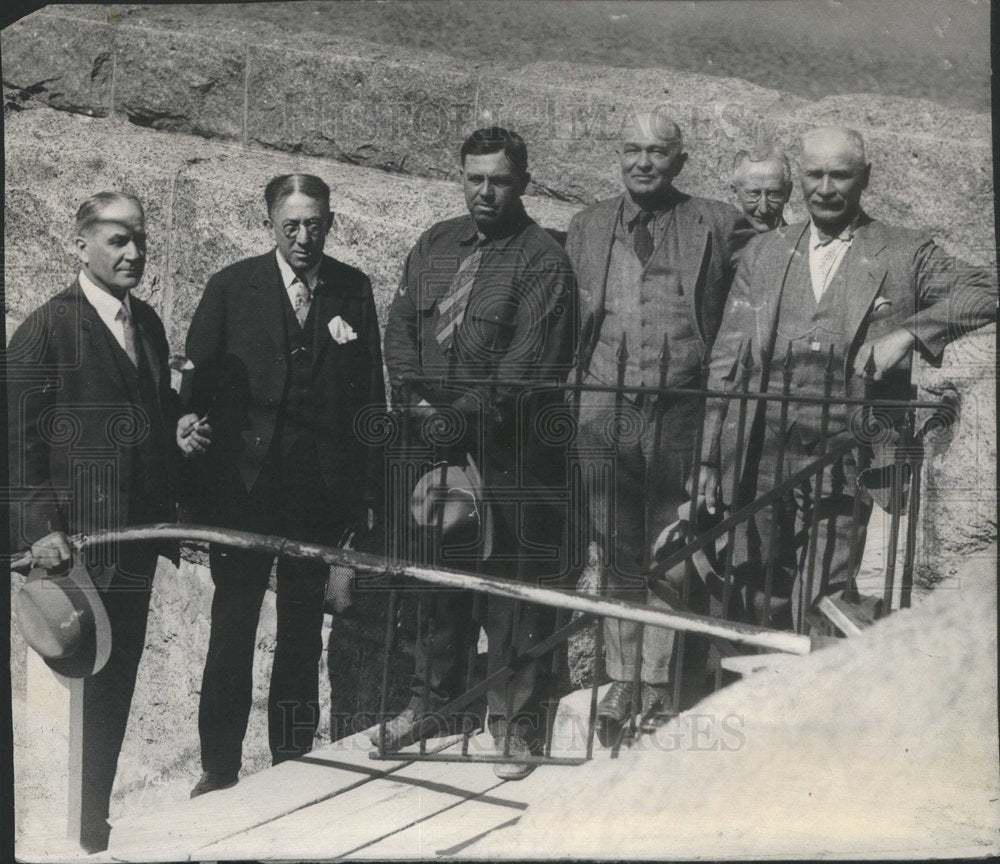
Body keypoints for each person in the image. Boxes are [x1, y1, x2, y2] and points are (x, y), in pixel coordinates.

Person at [699, 126, 997, 628]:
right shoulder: (765, 253)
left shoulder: (904, 252)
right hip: (759, 453)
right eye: (815, 174)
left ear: (865, 178)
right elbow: (727, 359)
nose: (826, 187)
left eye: (841, 175)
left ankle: (811, 698)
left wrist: (908, 333)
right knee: (754, 586)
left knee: (823, 599)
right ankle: (759, 692)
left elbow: (986, 289)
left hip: (845, 458)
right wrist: (709, 456)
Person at [378, 127, 577, 780]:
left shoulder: (542, 260)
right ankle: (432, 706)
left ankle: (514, 725)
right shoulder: (436, 244)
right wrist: (416, 403)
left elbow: (525, 368)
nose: (484, 191)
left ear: (521, 182)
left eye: (498, 180)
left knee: (511, 592)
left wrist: (452, 419)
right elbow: (401, 328)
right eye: (473, 178)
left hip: (508, 455)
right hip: (433, 448)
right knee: (437, 578)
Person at [183, 174, 385, 796]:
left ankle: (290, 763)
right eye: (291, 225)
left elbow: (368, 400)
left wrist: (365, 494)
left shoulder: (353, 288)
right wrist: (189, 435)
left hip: (316, 493)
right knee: (234, 623)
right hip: (242, 489)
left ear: (330, 222)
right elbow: (196, 388)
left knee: (301, 630)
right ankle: (218, 769)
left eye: (315, 224)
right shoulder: (231, 286)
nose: (304, 237)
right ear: (270, 223)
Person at [7, 192, 193, 851]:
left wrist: (179, 424)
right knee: (69, 699)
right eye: (116, 240)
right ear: (79, 244)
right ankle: (56, 837)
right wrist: (36, 532)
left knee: (113, 694)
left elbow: (146, 416)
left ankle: (92, 829)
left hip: (133, 549)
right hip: (69, 560)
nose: (133, 253)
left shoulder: (146, 324)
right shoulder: (47, 327)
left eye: (139, 239)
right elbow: (14, 443)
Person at [566, 108, 754, 745]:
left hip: (681, 408)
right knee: (614, 547)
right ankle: (621, 679)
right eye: (631, 150)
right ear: (618, 156)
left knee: (672, 546)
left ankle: (657, 684)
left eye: (657, 152)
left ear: (680, 161)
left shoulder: (718, 223)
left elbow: (769, 277)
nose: (643, 162)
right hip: (602, 409)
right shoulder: (587, 225)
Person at [730, 146, 793, 233]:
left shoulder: (801, 245)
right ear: (735, 192)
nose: (763, 209)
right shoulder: (721, 244)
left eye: (773, 194)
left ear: (788, 192)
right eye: (753, 194)